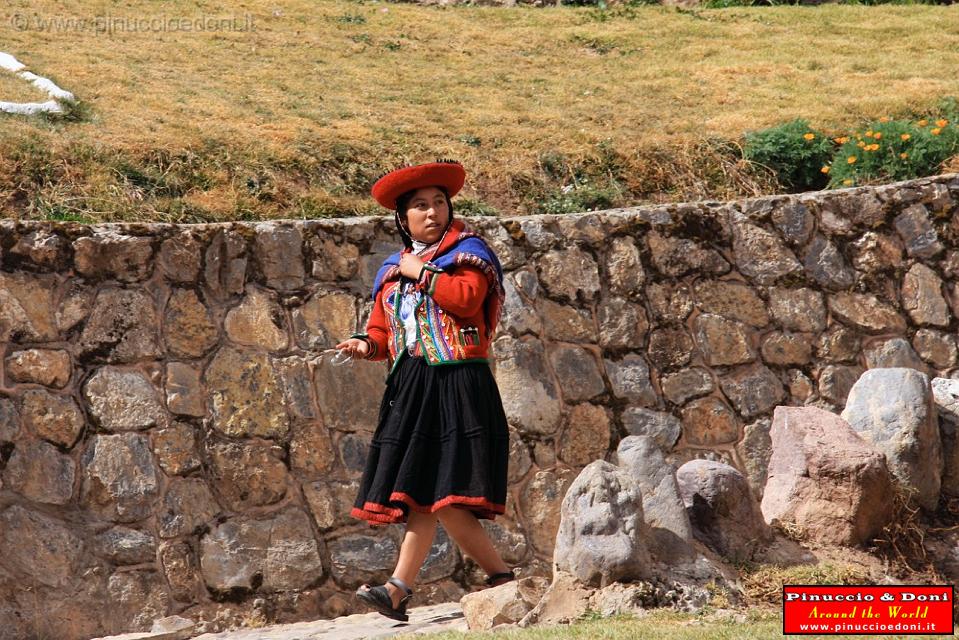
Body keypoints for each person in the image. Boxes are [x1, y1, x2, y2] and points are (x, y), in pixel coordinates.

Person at [335, 159, 515, 622]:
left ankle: (486, 581)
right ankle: (407, 590)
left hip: (459, 382)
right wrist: (364, 344)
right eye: (420, 206)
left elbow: (465, 300)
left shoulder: (468, 253)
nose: (432, 212)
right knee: (424, 492)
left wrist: (422, 273)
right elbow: (384, 332)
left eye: (439, 203)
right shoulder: (393, 270)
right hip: (414, 386)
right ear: (403, 218)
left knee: (444, 495)